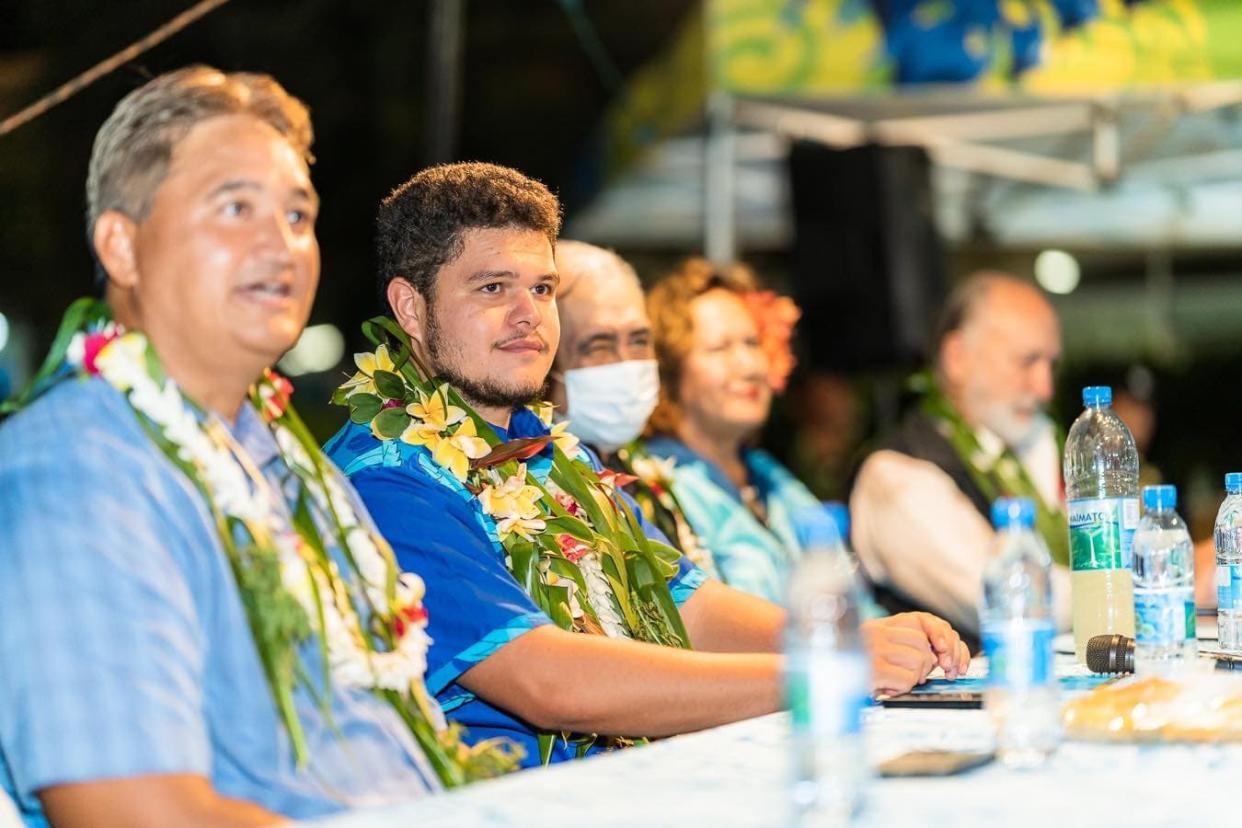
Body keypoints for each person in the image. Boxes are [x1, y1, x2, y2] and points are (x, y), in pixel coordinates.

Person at [324, 162, 971, 768]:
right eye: (493, 288)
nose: (528, 315)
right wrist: (825, 668)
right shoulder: (386, 476)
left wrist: (849, 635)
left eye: (543, 288)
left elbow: (684, 602)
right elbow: (546, 682)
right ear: (410, 307)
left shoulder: (549, 448)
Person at [0, 67, 460, 828]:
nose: (279, 243)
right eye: (235, 206)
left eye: (297, 214)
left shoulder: (283, 460)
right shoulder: (78, 466)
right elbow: (137, 812)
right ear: (122, 246)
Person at [850, 272, 1070, 648]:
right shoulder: (895, 473)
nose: (1044, 388)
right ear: (956, 358)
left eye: (1051, 365)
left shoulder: (1036, 448)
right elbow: (1011, 602)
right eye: (1026, 361)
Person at [642, 257, 827, 604]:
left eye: (753, 343)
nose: (749, 365)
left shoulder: (772, 478)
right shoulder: (653, 489)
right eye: (720, 348)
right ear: (669, 372)